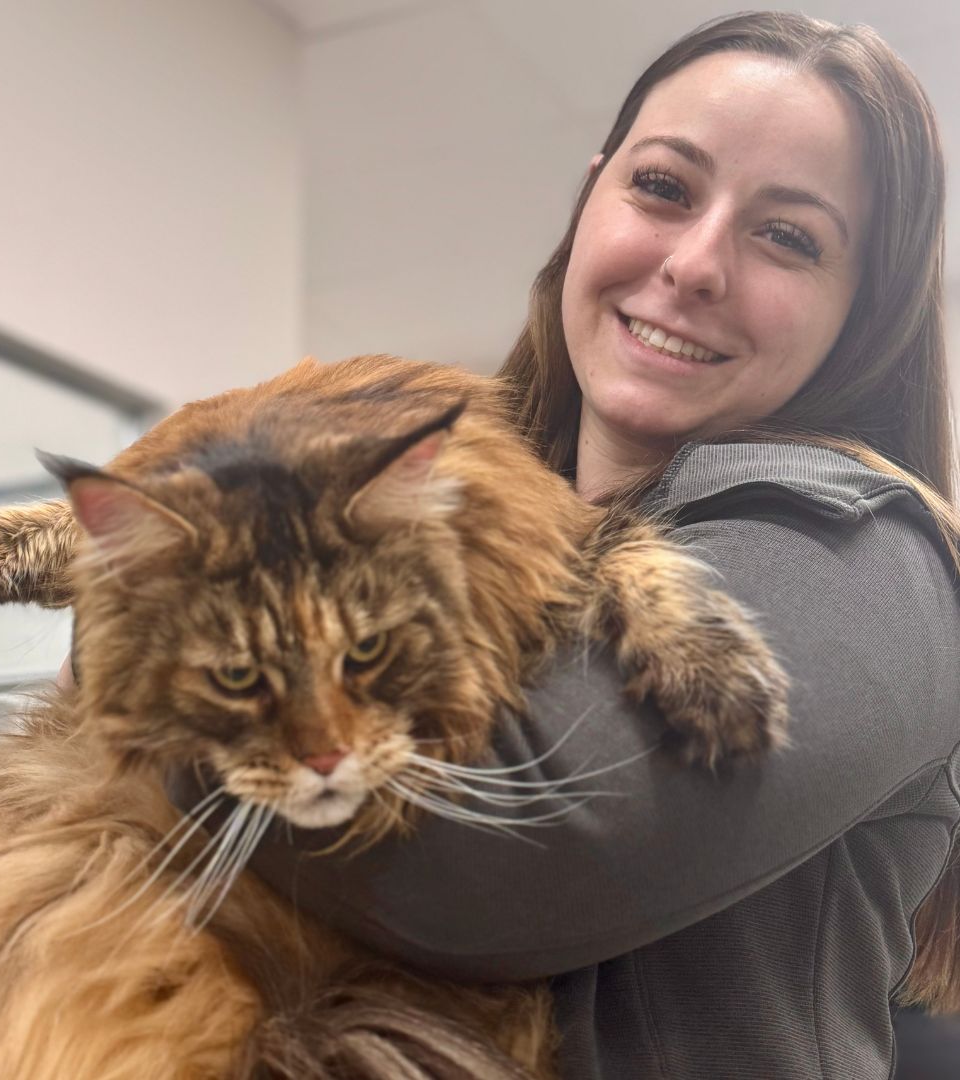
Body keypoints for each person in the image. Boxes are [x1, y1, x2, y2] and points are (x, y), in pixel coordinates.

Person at [210, 11, 959, 1079]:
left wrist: (172, 635)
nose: (697, 263)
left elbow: (479, 865)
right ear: (591, 193)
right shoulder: (461, 512)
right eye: (664, 187)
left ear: (864, 312)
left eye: (788, 236)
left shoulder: (875, 561)